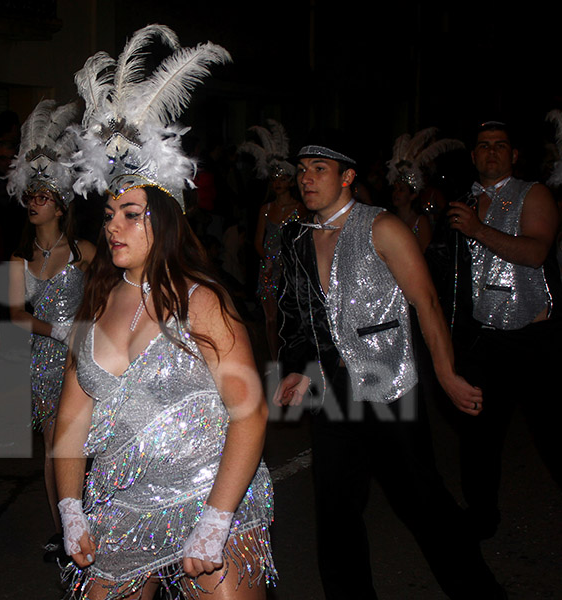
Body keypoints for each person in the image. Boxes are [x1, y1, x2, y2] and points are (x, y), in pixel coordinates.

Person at [55, 25, 275, 599]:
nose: (113, 227)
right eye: (108, 215)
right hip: (122, 502)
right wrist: (70, 506)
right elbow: (72, 419)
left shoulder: (202, 301)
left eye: (131, 214)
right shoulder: (97, 301)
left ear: (166, 218)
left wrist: (217, 519)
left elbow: (248, 414)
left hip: (208, 492)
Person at [274, 138, 505, 599]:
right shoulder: (297, 237)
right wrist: (298, 370)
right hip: (333, 393)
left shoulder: (381, 227)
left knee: (423, 503)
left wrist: (446, 375)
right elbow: (296, 316)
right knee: (336, 512)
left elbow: (426, 301)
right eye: (302, 169)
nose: (306, 178)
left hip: (389, 385)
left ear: (347, 177)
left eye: (319, 168)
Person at [446, 120, 562, 540]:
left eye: (500, 145)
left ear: (514, 155)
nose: (491, 152)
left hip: (533, 338)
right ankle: (481, 515)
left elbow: (535, 253)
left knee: (552, 431)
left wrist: (478, 230)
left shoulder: (533, 193)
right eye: (482, 146)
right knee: (477, 434)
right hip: (484, 338)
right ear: (473, 156)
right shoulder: (464, 200)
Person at [5, 99, 95, 561]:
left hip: (85, 357)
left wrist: (88, 330)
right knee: (52, 445)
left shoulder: (85, 251)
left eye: (42, 197)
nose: (33, 204)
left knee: (87, 441)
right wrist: (58, 331)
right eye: (30, 197)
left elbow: (109, 295)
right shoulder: (18, 259)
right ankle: (64, 529)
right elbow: (16, 317)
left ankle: (93, 516)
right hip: (44, 359)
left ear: (60, 206)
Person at [240, 119, 306, 361]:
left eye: (282, 178)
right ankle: (274, 358)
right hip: (268, 269)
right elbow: (258, 240)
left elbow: (304, 241)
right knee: (269, 318)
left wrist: (289, 263)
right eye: (274, 179)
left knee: (290, 317)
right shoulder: (266, 209)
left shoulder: (300, 209)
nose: (278, 183)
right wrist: (268, 261)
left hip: (291, 271)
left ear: (290, 181)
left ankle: (291, 357)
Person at [386, 127, 464, 253]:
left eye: (401, 190)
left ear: (413, 196)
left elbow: (426, 254)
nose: (396, 193)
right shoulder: (389, 218)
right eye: (395, 189)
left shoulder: (421, 222)